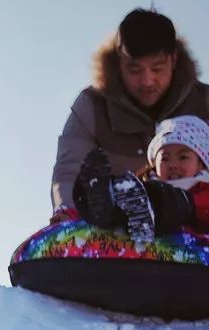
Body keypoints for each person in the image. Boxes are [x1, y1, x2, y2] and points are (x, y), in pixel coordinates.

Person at [50, 8, 209, 220]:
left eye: (157, 68)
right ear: (119, 62)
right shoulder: (93, 106)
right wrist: (66, 214)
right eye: (135, 70)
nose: (147, 81)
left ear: (174, 59)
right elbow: (70, 171)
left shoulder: (204, 102)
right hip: (121, 238)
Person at [74, 115, 209, 238]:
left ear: (201, 164)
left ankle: (144, 216)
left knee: (169, 199)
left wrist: (188, 204)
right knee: (125, 192)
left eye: (183, 157)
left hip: (186, 229)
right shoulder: (143, 184)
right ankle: (99, 200)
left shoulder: (204, 188)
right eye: (165, 159)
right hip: (140, 218)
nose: (173, 165)